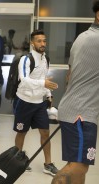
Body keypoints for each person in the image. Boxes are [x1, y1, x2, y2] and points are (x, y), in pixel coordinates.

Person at [51, 2, 99, 184]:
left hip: (77, 109)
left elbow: (69, 76)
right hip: (81, 113)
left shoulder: (83, 38)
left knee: (80, 165)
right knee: (78, 166)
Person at [13, 30, 59, 175]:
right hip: (24, 101)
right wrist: (43, 84)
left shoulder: (46, 59)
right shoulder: (26, 59)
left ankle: (48, 164)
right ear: (32, 43)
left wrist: (48, 94)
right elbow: (24, 80)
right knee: (22, 132)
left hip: (39, 102)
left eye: (44, 41)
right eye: (39, 41)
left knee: (45, 132)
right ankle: (18, 160)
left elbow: (44, 78)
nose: (42, 44)